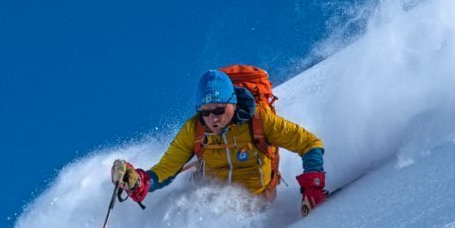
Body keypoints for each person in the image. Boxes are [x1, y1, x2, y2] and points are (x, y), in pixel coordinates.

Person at [111, 69, 327, 216]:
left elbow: (309, 143)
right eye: (205, 112)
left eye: (219, 110)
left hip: (260, 205)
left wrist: (312, 185)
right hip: (212, 209)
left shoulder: (259, 121)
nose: (212, 119)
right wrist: (138, 180)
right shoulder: (194, 129)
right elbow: (166, 170)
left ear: (232, 103)